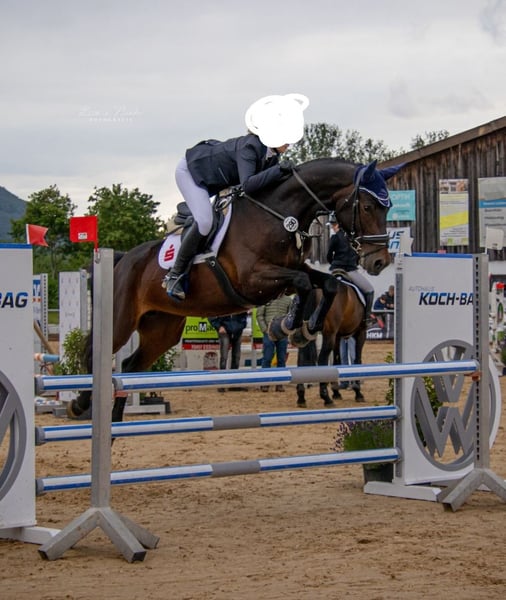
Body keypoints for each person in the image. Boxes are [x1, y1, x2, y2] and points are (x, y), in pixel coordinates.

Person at [164, 93, 310, 300]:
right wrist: (279, 171)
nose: (290, 142)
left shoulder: (271, 156)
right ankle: (175, 274)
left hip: (215, 181)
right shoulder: (249, 146)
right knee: (205, 221)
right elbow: (248, 185)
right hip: (191, 172)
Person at [326, 213, 375, 325]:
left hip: (335, 270)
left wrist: (334, 264)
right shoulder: (355, 239)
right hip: (350, 271)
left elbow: (328, 255)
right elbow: (358, 256)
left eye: (333, 225)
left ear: (338, 225)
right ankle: (367, 318)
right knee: (369, 290)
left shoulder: (334, 238)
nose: (333, 227)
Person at [256, 293, 293, 392]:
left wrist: (287, 330)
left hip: (283, 334)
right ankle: (265, 383)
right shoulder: (266, 297)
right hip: (268, 334)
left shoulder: (288, 300)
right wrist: (265, 330)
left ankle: (280, 384)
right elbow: (259, 315)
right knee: (267, 358)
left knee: (281, 359)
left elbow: (290, 316)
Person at [209, 312, 248, 392]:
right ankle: (221, 384)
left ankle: (233, 384)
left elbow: (244, 314)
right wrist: (219, 326)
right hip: (224, 330)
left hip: (237, 330)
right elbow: (210, 314)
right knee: (224, 357)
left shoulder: (238, 304)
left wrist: (241, 325)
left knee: (236, 358)